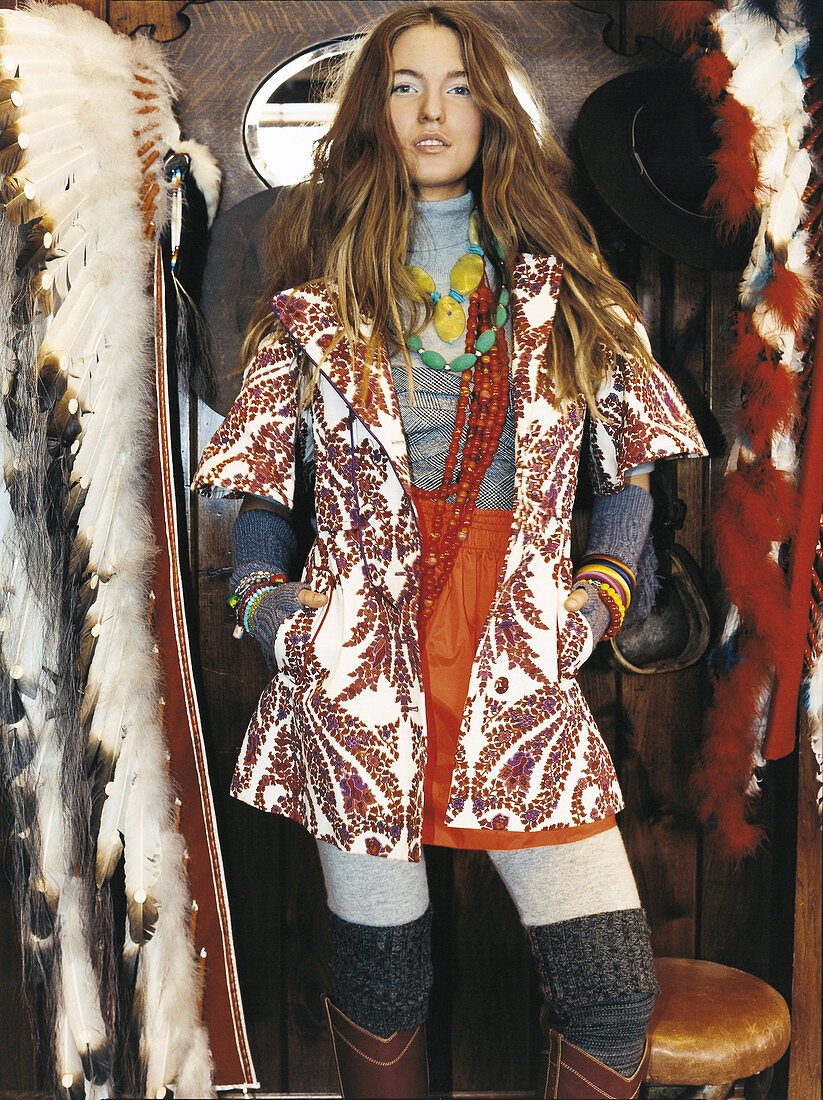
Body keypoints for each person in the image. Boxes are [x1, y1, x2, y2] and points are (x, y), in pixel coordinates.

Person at [193, 4, 706, 1097]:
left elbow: (625, 480)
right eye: (405, 85)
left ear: (493, 110)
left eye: (460, 85)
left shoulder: (574, 294)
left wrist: (596, 601)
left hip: (517, 658)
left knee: (609, 986)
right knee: (384, 973)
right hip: (357, 666)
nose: (433, 111)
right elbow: (266, 499)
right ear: (372, 113)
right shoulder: (308, 308)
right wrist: (269, 609)